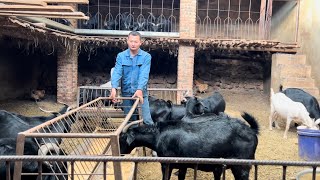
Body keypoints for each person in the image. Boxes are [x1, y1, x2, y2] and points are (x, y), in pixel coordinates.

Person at [109, 31, 154, 125]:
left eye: (136, 42)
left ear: (140, 42)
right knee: (130, 121)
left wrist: (140, 89)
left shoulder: (146, 57)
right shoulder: (121, 56)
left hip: (141, 92)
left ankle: (151, 137)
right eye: (131, 41)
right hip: (126, 93)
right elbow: (117, 72)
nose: (133, 44)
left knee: (147, 119)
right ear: (127, 41)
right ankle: (134, 139)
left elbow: (144, 74)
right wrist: (114, 88)